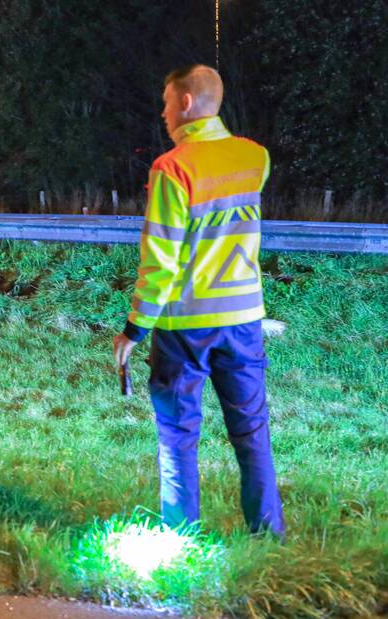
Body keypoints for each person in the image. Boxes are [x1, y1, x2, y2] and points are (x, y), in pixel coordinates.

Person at [113, 64, 285, 538]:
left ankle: (182, 540)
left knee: (178, 436)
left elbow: (161, 259)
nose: (164, 113)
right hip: (243, 319)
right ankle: (268, 536)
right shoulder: (255, 158)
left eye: (166, 102)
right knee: (252, 433)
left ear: (185, 103)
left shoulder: (172, 168)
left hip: (185, 326)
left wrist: (135, 328)